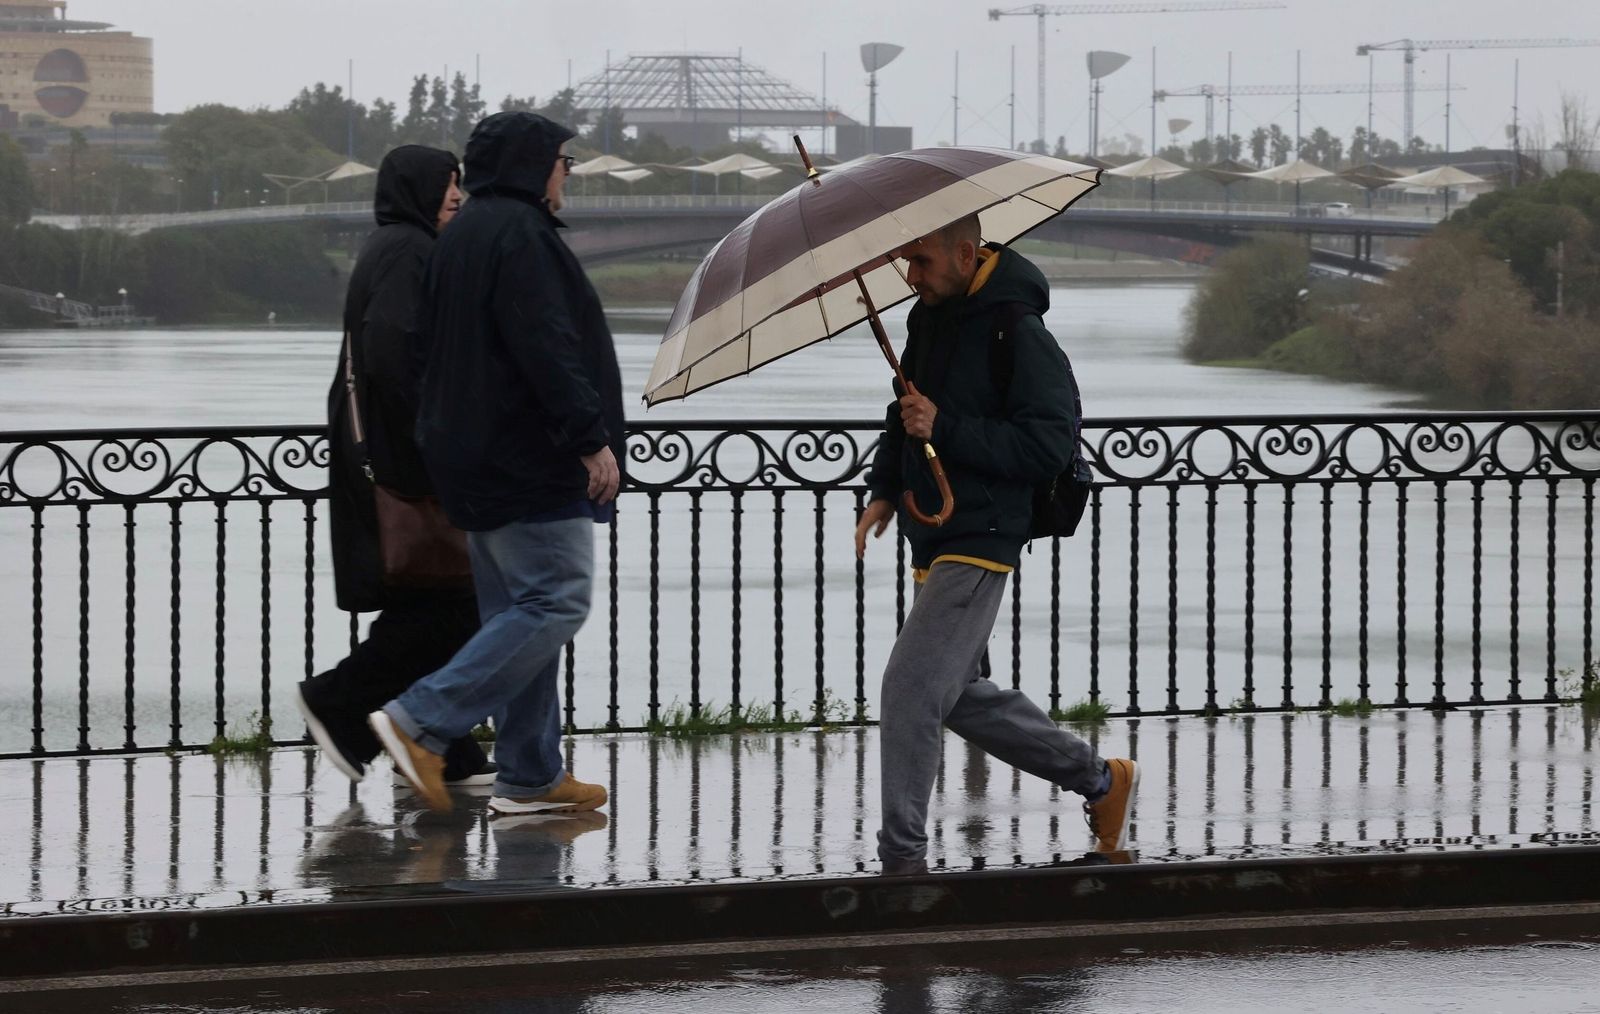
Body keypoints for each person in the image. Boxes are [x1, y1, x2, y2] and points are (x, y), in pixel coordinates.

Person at [855, 213, 1138, 874]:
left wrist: (945, 427)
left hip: (983, 534)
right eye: (906, 261)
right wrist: (885, 489)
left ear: (965, 253)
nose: (911, 275)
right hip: (933, 531)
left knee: (909, 687)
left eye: (922, 261)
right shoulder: (928, 318)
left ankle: (901, 865)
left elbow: (1048, 446)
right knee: (955, 694)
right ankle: (1102, 780)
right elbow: (905, 410)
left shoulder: (1021, 331)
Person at [368, 112, 623, 817]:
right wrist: (589, 437)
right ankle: (420, 719)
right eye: (564, 161)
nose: (567, 173)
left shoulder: (463, 236)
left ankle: (530, 775)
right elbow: (547, 347)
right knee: (557, 600)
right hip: (530, 458)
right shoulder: (523, 236)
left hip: (473, 459)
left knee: (517, 612)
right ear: (534, 165)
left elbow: (432, 350)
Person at [296, 144, 493, 787]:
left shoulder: (393, 246)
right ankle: (336, 700)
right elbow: (393, 352)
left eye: (458, 183)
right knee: (450, 603)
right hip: (404, 461)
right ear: (417, 191)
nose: (457, 195)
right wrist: (443, 433)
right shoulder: (409, 250)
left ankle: (445, 750)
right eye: (446, 184)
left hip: (387, 455)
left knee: (434, 599)